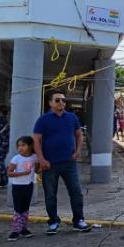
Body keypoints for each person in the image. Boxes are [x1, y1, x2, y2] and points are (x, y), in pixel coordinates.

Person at [33, 90, 91, 233]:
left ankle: (79, 220)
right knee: (50, 194)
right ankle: (53, 222)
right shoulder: (43, 120)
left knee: (76, 192)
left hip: (68, 163)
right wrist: (41, 159)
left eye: (63, 100)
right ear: (50, 103)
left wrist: (77, 151)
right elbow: (36, 139)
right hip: (49, 164)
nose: (61, 103)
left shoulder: (72, 118)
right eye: (57, 100)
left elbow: (79, 135)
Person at [6, 136, 39, 241]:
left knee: (25, 208)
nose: (20, 148)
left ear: (30, 146)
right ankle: (16, 230)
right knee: (18, 209)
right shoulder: (16, 158)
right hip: (18, 186)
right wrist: (23, 173)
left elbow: (38, 169)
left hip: (29, 185)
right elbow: (9, 173)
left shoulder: (34, 157)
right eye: (19, 146)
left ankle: (24, 228)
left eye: (23, 145)